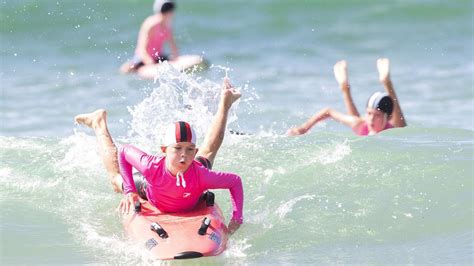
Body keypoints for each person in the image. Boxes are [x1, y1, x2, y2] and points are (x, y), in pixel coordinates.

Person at [75, 78, 243, 233]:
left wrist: (237, 217)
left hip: (194, 179)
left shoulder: (202, 175)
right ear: (164, 150)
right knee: (115, 180)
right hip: (150, 189)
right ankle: (98, 123)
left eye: (190, 149)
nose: (184, 155)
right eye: (177, 148)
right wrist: (129, 191)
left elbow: (235, 181)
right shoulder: (151, 166)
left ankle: (225, 103)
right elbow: (125, 151)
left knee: (209, 151)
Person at [287, 58, 406, 136]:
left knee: (402, 128)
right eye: (369, 114)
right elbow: (328, 111)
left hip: (391, 126)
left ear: (388, 118)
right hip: (362, 128)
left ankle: (387, 83)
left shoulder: (392, 131)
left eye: (377, 116)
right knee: (356, 122)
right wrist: (304, 128)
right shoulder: (362, 124)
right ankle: (345, 88)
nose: (371, 119)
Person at [120, 0, 178, 74]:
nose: (169, 12)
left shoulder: (167, 26)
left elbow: (173, 46)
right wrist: (149, 62)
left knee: (169, 59)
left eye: (170, 9)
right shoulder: (150, 24)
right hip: (143, 58)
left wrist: (176, 59)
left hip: (157, 57)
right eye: (166, 9)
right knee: (126, 69)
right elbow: (141, 49)